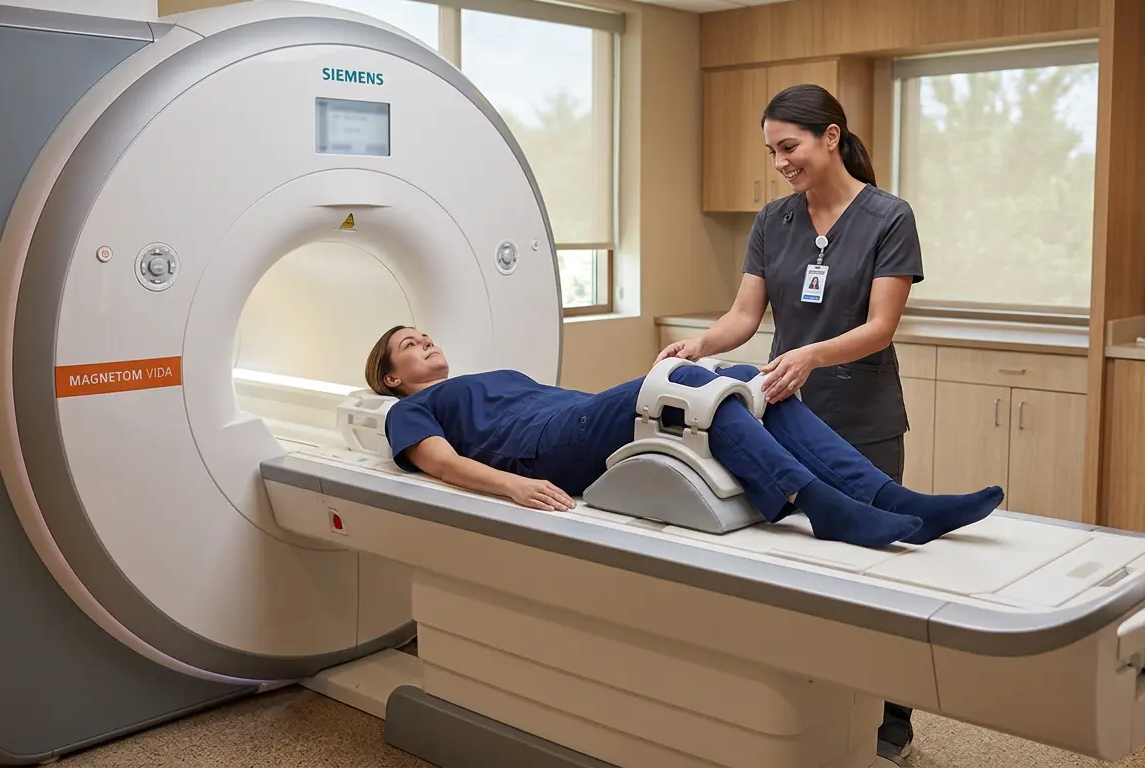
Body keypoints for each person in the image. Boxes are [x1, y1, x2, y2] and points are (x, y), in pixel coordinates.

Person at [654, 83, 927, 760]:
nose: (780, 161)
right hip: (784, 417)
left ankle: (890, 713)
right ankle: (809, 705)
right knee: (796, 568)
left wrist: (808, 352)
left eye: (790, 146)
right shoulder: (774, 221)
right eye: (772, 150)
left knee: (871, 571)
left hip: (862, 418)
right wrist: (699, 345)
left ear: (831, 137)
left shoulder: (889, 217)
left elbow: (881, 326)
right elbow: (746, 318)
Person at [363, 325, 1003, 552]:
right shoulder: (412, 410)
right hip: (544, 447)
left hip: (578, 416)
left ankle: (893, 500)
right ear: (394, 377)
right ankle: (818, 504)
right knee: (689, 379)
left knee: (754, 381)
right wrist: (516, 487)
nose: (427, 343)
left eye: (426, 335)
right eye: (409, 346)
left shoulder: (487, 374)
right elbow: (441, 465)